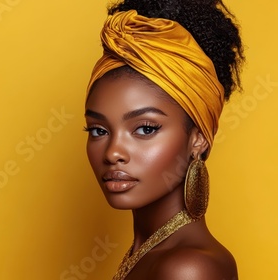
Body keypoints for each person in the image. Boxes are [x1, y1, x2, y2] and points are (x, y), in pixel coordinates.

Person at [83, 0, 244, 279]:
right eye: (99, 130)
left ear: (198, 138)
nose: (113, 153)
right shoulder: (149, 254)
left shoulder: (188, 269)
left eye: (145, 129)